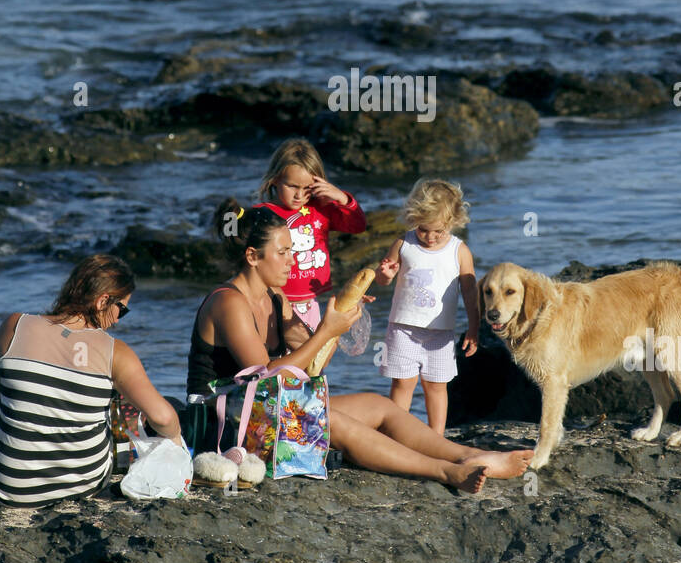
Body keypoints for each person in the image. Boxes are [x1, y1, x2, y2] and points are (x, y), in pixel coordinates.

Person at [189, 203, 531, 492]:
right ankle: (445, 471)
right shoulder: (229, 303)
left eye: (292, 250)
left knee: (377, 405)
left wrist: (339, 324)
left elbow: (312, 367)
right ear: (252, 256)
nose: (292, 261)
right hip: (223, 423)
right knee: (329, 421)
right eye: (282, 253)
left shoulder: (275, 297)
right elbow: (265, 376)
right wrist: (325, 331)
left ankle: (466, 453)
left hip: (263, 410)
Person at [0, 255, 181, 507]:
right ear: (103, 301)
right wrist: (177, 442)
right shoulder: (116, 352)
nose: (116, 320)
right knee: (118, 404)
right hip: (87, 483)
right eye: (121, 310)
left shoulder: (15, 326)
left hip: (8, 488)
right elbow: (163, 418)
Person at [374, 178, 478, 434]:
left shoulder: (459, 251)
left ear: (453, 221)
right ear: (413, 219)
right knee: (403, 384)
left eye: (438, 231)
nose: (430, 237)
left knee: (436, 385)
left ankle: (436, 437)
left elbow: (470, 291)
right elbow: (383, 280)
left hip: (440, 334)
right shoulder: (404, 244)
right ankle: (396, 435)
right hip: (403, 329)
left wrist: (474, 327)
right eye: (423, 229)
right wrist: (385, 274)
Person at [256, 137, 366, 333]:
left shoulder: (322, 210)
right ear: (275, 179)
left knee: (312, 358)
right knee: (279, 360)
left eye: (307, 188)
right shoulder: (262, 213)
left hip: (310, 304)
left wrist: (341, 198)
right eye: (292, 186)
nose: (299, 195)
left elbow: (357, 226)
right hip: (272, 303)